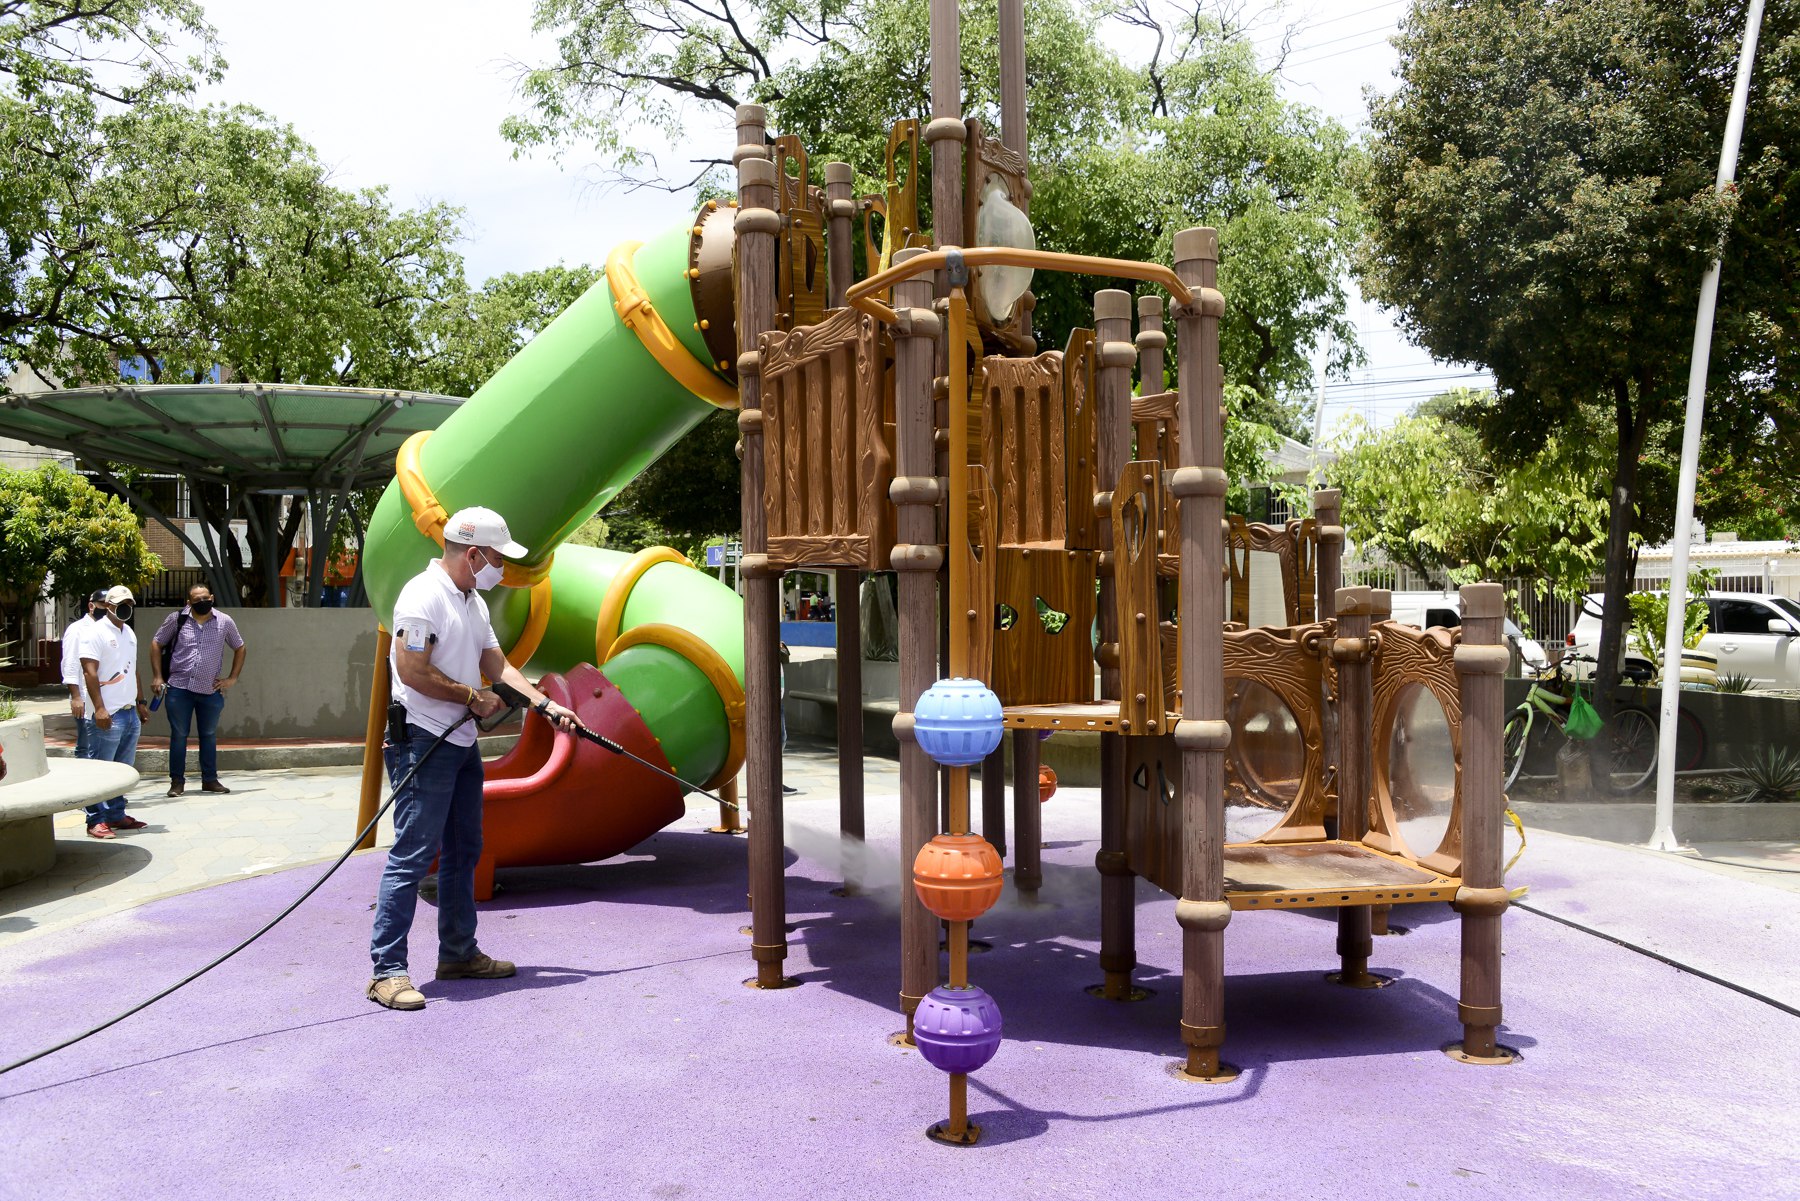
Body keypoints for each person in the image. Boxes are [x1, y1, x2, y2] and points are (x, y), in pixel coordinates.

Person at [367, 507, 579, 1012]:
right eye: (498, 559)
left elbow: (497, 665)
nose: (502, 568)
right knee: (413, 855)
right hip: (422, 741)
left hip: (459, 743)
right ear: (474, 554)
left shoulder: (472, 601)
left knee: (465, 850)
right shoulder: (421, 596)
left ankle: (458, 954)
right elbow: (411, 669)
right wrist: (470, 696)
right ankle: (387, 972)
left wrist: (545, 705)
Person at [150, 583, 247, 797]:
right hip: (179, 688)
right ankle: (177, 782)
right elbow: (157, 643)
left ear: (211, 597)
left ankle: (210, 780)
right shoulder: (177, 619)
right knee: (179, 735)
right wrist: (157, 676)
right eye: (197, 600)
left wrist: (232, 678)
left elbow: (240, 647)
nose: (202, 602)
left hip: (210, 690)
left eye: (205, 598)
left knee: (209, 735)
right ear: (189, 602)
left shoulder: (224, 621)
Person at [77, 586, 150, 839]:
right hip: (107, 714)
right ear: (108, 606)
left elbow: (133, 668)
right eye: (120, 603)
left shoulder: (129, 632)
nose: (126, 607)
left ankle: (116, 814)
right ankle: (95, 820)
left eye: (129, 603)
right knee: (100, 769)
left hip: (129, 712)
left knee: (122, 770)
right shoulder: (94, 632)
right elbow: (89, 672)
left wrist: (140, 701)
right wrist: (99, 708)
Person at [59, 591, 106, 759]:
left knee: (101, 743)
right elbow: (70, 662)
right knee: (85, 745)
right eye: (103, 604)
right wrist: (76, 696)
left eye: (110, 605)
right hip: (85, 697)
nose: (106, 608)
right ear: (91, 605)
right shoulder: (77, 629)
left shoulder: (108, 629)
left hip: (105, 696)